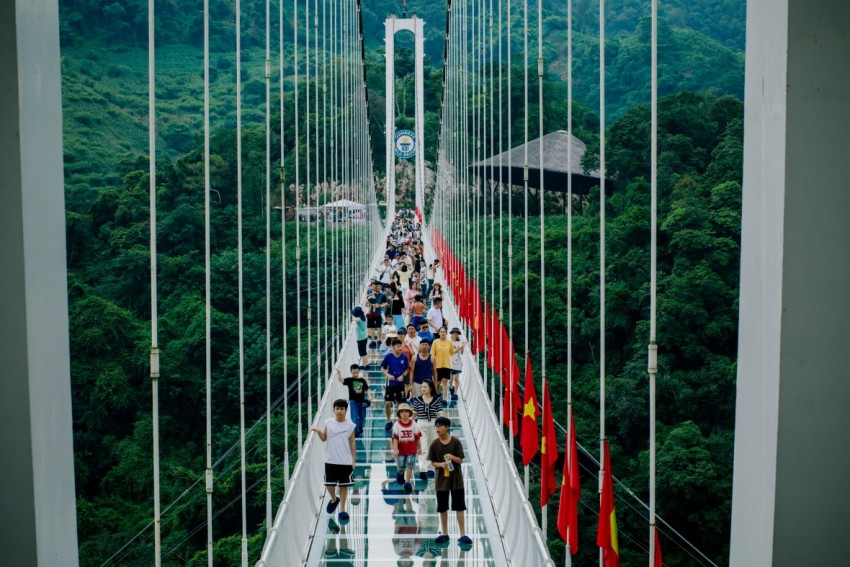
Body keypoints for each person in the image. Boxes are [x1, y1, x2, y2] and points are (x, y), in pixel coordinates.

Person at [311, 399, 357, 523]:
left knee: (344, 486)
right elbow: (324, 438)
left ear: (346, 411)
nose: (339, 411)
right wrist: (319, 432)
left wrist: (353, 460)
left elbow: (352, 442)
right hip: (330, 459)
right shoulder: (328, 422)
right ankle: (333, 499)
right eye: (337, 408)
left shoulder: (350, 425)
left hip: (345, 461)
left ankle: (342, 510)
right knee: (328, 484)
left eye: (342, 409)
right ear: (334, 409)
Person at [427, 416, 471, 546]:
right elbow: (433, 463)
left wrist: (452, 457)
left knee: (459, 506)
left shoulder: (455, 442)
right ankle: (445, 533)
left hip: (456, 480)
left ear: (447, 427)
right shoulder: (434, 444)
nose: (438, 428)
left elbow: (460, 460)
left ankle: (462, 534)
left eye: (440, 426)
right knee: (442, 507)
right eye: (436, 426)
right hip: (441, 481)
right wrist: (441, 465)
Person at [411, 380, 443, 480]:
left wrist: (441, 421)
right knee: (423, 447)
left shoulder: (437, 399)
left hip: (434, 425)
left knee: (432, 447)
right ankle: (423, 470)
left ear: (430, 388)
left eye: (425, 387)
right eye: (422, 387)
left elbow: (440, 412)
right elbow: (414, 414)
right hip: (421, 424)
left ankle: (431, 469)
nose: (423, 389)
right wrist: (408, 423)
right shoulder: (417, 399)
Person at [392, 402, 422, 493]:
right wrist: (395, 448)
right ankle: (400, 473)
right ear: (399, 414)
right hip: (401, 450)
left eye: (406, 411)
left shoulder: (413, 424)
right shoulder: (397, 425)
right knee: (401, 467)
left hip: (411, 449)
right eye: (402, 412)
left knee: (410, 465)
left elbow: (417, 436)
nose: (404, 413)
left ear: (409, 413)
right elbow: (395, 438)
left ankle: (407, 482)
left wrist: (420, 447)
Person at [430, 327, 466, 405]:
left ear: (446, 333)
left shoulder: (449, 342)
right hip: (437, 365)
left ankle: (444, 399)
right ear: (439, 333)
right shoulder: (435, 342)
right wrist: (432, 364)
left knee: (445, 381)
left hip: (446, 365)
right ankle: (436, 396)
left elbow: (451, 352)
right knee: (438, 382)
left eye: (444, 332)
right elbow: (432, 354)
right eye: (441, 332)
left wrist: (460, 347)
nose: (443, 333)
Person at [381, 338, 410, 431]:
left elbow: (407, 369)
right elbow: (382, 368)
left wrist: (403, 375)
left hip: (400, 383)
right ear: (393, 347)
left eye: (400, 346)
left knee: (400, 404)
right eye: (398, 346)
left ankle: (399, 422)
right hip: (390, 383)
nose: (400, 348)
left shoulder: (404, 357)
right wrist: (388, 375)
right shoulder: (388, 357)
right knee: (387, 403)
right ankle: (389, 421)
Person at [336, 365, 371, 438]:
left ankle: (359, 429)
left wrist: (370, 397)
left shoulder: (362, 380)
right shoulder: (350, 380)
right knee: (354, 418)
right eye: (353, 373)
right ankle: (356, 431)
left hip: (362, 402)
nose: (355, 374)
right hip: (353, 402)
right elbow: (341, 380)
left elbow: (367, 389)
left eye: (356, 373)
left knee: (363, 417)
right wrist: (339, 373)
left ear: (359, 372)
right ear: (351, 372)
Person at [449, 328, 466, 401]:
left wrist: (462, 347)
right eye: (454, 333)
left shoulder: (459, 343)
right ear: (452, 334)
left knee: (456, 378)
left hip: (457, 362)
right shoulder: (448, 342)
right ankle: (451, 388)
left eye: (456, 333)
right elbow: (451, 352)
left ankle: (455, 393)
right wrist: (460, 347)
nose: (455, 334)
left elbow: (461, 353)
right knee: (450, 379)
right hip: (449, 361)